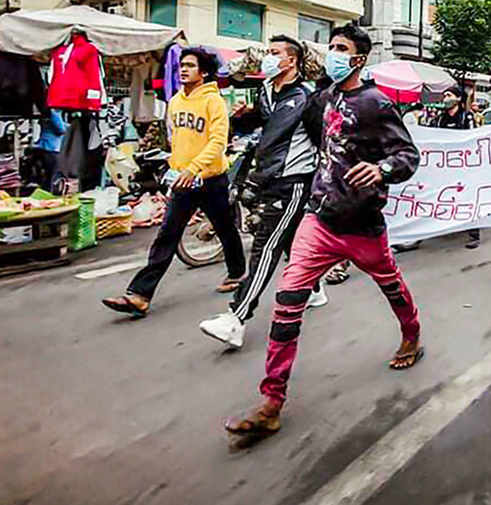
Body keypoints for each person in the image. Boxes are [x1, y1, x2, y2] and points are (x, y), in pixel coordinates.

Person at [225, 25, 422, 446]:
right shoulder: (323, 97)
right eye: (330, 47)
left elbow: (408, 154)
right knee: (287, 302)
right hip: (319, 219)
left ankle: (411, 332)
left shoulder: (375, 102)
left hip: (363, 225)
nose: (332, 54)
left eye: (341, 49)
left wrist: (381, 170)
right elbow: (301, 130)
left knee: (390, 284)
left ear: (358, 59)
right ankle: (271, 403)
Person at [198, 36, 328, 350]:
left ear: (292, 60)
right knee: (293, 241)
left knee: (266, 247)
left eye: (274, 53)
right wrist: (244, 116)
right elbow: (263, 120)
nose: (268, 59)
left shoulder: (305, 98)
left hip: (293, 181)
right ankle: (314, 290)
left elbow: (309, 138)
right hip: (270, 178)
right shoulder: (268, 91)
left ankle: (236, 317)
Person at [102, 48, 247, 318]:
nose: (183, 70)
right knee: (167, 234)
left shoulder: (213, 101)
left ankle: (237, 272)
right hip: (182, 180)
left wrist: (194, 168)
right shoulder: (176, 101)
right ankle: (140, 295)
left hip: (211, 178)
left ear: (204, 72)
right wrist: (175, 167)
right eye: (181, 65)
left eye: (190, 66)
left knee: (225, 228)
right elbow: (176, 139)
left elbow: (218, 142)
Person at [433, 86, 481, 249]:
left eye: (449, 95)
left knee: (467, 198)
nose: (446, 98)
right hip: (444, 166)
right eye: (444, 95)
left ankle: (474, 234)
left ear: (459, 99)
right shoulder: (439, 119)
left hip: (464, 165)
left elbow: (472, 137)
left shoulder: (466, 117)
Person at [34, 110, 65, 190]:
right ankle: (47, 192)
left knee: (43, 175)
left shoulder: (44, 114)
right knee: (51, 175)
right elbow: (61, 129)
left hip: (42, 146)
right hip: (51, 147)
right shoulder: (55, 113)